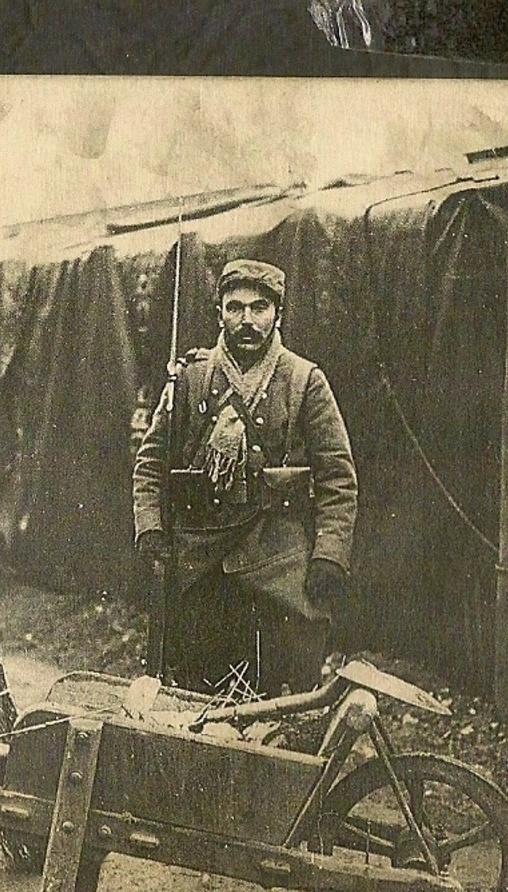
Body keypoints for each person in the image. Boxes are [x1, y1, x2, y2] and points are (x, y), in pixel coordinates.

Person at [133, 259, 358, 698]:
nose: (247, 321)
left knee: (282, 705)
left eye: (259, 308)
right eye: (235, 308)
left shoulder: (304, 381)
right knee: (194, 704)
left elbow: (338, 479)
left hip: (280, 566)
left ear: (278, 314)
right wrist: (151, 529)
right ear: (219, 314)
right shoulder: (190, 380)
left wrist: (329, 555)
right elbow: (150, 464)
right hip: (201, 565)